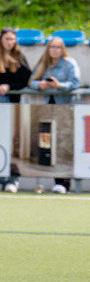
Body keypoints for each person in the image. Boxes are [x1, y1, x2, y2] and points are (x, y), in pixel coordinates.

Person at [29, 36, 81, 193]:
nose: (55, 50)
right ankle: (56, 181)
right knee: (49, 145)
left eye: (58, 47)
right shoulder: (44, 64)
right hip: (48, 109)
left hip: (64, 108)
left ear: (63, 49)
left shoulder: (69, 63)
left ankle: (65, 183)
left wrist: (59, 86)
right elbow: (31, 81)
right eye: (52, 47)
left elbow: (75, 83)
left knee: (64, 146)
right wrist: (41, 85)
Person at [0, 27, 31, 193]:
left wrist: (9, 87)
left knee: (13, 142)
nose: (9, 42)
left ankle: (13, 179)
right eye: (6, 39)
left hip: (12, 104)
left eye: (12, 39)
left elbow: (26, 79)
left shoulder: (19, 57)